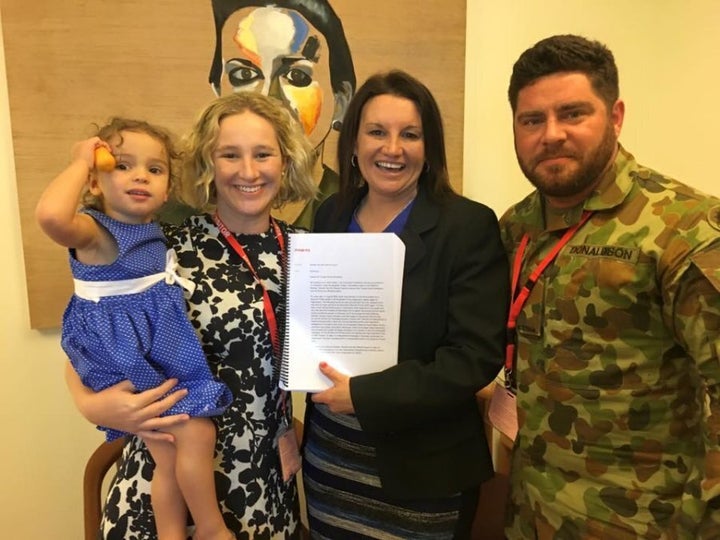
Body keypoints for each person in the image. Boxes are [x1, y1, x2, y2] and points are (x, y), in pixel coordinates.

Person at [64, 93, 317, 539]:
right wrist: (91, 404)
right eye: (229, 155)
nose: (248, 171)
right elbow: (92, 334)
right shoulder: (162, 248)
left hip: (264, 483)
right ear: (207, 164)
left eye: (263, 154)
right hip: (168, 488)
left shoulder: (311, 253)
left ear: (286, 160)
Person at [500, 34, 720, 539]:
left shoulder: (681, 226)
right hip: (530, 511)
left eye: (573, 114)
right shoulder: (517, 227)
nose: (551, 134)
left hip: (644, 520)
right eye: (532, 120)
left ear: (616, 116)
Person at [302, 69, 509, 539]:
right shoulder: (331, 214)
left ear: (429, 147)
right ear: (353, 143)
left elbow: (472, 358)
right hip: (332, 456)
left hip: (425, 474)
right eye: (377, 132)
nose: (392, 149)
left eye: (409, 135)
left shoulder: (467, 226)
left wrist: (365, 396)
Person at [36, 118, 236, 540]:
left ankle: (171, 533)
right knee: (197, 431)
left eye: (155, 169)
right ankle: (213, 530)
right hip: (123, 351)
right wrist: (79, 162)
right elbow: (51, 216)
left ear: (166, 190)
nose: (140, 175)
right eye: (122, 165)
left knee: (166, 453)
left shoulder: (149, 231)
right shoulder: (96, 232)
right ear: (94, 182)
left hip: (142, 348)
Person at [207, 0, 356, 228]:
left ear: (342, 99)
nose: (269, 99)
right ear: (218, 91)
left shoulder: (357, 215)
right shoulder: (176, 218)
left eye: (298, 76)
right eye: (244, 74)